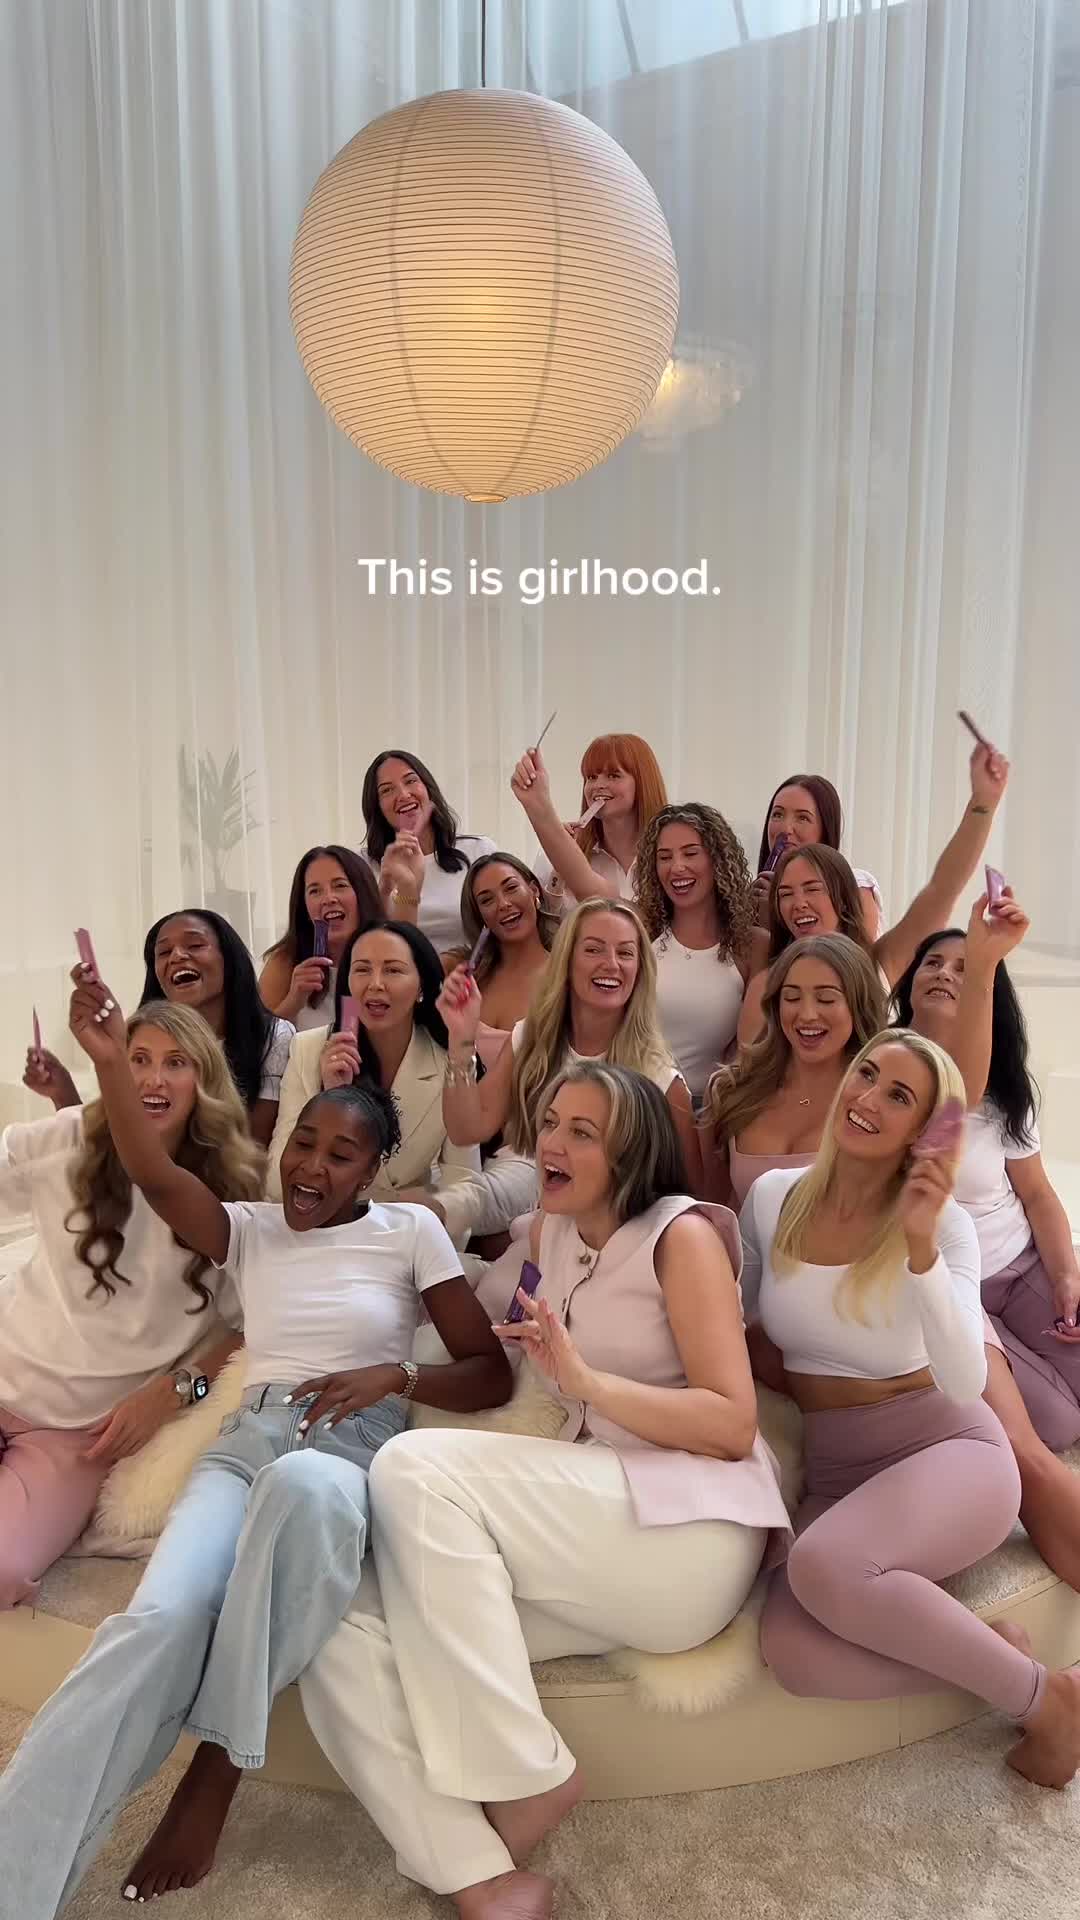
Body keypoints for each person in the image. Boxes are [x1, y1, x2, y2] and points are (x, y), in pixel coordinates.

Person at [0, 974, 511, 1916]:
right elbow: (156, 1174)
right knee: (151, 1627)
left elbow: (490, 1374)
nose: (311, 1167)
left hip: (346, 1444)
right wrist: (108, 1063)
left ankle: (213, 1774)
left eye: (341, 1154)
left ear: (375, 1170)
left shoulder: (410, 1233)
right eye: (302, 1144)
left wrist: (394, 1378)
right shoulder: (252, 1231)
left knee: (305, 1491)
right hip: (247, 1441)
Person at [300, 1063, 790, 1919]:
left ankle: (523, 1774)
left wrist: (590, 1384)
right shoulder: (551, 1233)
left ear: (630, 1155)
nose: (552, 1143)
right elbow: (483, 1321)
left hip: (690, 1536)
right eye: (552, 1122)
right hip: (596, 1538)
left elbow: (731, 1423)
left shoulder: (681, 1238)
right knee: (336, 1618)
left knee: (415, 1469)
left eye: (581, 1132)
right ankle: (477, 1873)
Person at [743, 1030, 1080, 1789]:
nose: (866, 1098)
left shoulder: (944, 1226)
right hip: (839, 1469)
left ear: (925, 1132)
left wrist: (921, 1248)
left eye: (898, 1096)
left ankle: (1050, 1705)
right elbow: (739, 1312)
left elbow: (964, 1379)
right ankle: (1011, 1668)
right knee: (793, 1652)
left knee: (824, 1565)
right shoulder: (773, 1198)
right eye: (866, 1075)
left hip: (950, 1454)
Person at [1, 998, 263, 1611]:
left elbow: (250, 1327)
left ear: (205, 1080)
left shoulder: (233, 1194)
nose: (153, 1078)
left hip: (76, 1435)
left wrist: (177, 1390)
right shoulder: (68, 1138)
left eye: (175, 1063)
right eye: (138, 1058)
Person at [893, 900, 1080, 1593]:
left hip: (1017, 1264)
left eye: (964, 966)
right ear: (909, 980)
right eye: (933, 962)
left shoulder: (1004, 1090)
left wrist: (1066, 1274)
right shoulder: (884, 1073)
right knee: (1055, 1424)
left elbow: (1039, 1196)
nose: (946, 973)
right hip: (952, 1285)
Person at [737, 738, 1010, 1045]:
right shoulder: (767, 983)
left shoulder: (876, 964)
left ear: (844, 898)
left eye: (813, 889)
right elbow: (746, 1068)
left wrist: (984, 802)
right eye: (785, 893)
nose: (799, 903)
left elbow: (943, 888)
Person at [437, 899, 703, 1196]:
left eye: (625, 953)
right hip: (537, 1205)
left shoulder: (661, 1078)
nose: (611, 964)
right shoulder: (530, 1037)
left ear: (640, 969)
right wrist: (460, 1038)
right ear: (567, 961)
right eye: (593, 950)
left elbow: (691, 1196)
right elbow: (466, 1130)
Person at [266, 923, 485, 1242]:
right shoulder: (308, 1050)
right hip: (323, 1234)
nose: (375, 984)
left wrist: (432, 1208)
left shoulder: (450, 1063)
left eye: (393, 970)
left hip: (405, 1235)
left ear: (422, 987)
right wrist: (333, 1101)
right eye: (362, 970)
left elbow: (468, 1185)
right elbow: (276, 1183)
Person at [25, 909, 293, 1150]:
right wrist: (63, 1092)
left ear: (229, 960)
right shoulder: (141, 1037)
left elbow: (249, 1153)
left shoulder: (274, 1037)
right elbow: (110, 1144)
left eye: (195, 945)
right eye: (163, 952)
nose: (177, 956)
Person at [706, 935, 887, 1210]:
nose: (807, 1014)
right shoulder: (731, 1088)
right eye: (791, 997)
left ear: (858, 1005)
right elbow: (712, 1206)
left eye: (826, 999)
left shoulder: (877, 1103)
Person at [633, 802, 755, 1103]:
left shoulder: (751, 946)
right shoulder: (640, 930)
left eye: (690, 853)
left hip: (713, 1108)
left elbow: (753, 1050)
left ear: (718, 859)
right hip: (638, 1101)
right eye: (664, 857)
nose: (676, 867)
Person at [509, 731, 668, 909]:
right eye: (591, 777)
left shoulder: (668, 858)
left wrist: (540, 806)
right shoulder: (552, 855)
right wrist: (559, 869)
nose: (598, 785)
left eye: (613, 775)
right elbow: (542, 920)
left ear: (643, 782)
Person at [360, 750, 496, 956]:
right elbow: (368, 942)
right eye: (387, 790)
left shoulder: (478, 850)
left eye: (410, 781)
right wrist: (387, 887)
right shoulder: (364, 865)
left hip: (471, 972)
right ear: (376, 807)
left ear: (428, 789)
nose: (403, 795)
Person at [444, 852, 559, 1070]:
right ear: (480, 916)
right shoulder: (461, 971)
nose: (503, 904)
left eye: (511, 888)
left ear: (534, 890)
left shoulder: (566, 974)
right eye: (487, 900)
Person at [259, 844, 382, 1032]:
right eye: (315, 891)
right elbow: (257, 1042)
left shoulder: (389, 952)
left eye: (340, 885)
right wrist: (293, 1002)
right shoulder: (286, 961)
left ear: (363, 893)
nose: (328, 898)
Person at [753, 773, 884, 936]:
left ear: (825, 829)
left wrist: (773, 924)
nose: (785, 829)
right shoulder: (754, 894)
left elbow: (858, 952)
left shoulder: (855, 884)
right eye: (778, 815)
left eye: (802, 818)